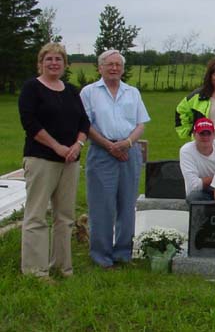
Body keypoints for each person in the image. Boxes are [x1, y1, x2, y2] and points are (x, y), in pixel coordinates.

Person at [18, 42, 90, 279]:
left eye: (58, 59)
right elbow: (30, 123)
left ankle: (63, 267)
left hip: (70, 162)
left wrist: (77, 145)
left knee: (65, 216)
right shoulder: (32, 88)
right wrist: (57, 147)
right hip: (41, 159)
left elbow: (83, 122)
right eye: (48, 59)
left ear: (64, 64)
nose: (53, 63)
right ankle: (36, 271)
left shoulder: (71, 90)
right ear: (41, 63)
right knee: (37, 215)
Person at [80, 50, 150, 269]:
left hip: (129, 151)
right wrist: (109, 146)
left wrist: (127, 143)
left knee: (127, 205)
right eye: (109, 64)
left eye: (118, 65)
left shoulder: (132, 92)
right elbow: (85, 125)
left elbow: (140, 124)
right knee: (102, 206)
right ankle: (101, 256)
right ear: (100, 67)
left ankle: (123, 253)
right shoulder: (89, 92)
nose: (114, 68)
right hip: (102, 151)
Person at [179, 117, 215, 203]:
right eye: (202, 134)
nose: (205, 137)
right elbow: (193, 186)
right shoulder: (186, 151)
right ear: (194, 134)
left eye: (208, 134)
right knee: (194, 197)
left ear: (214, 135)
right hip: (204, 193)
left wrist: (205, 181)